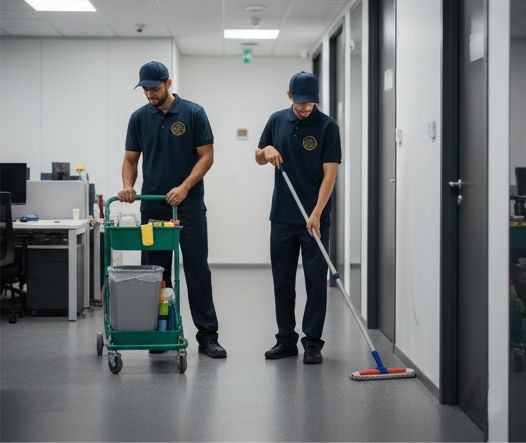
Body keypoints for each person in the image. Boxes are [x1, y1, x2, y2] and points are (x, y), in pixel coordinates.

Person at [118, 61, 226, 358]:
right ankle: (158, 333)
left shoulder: (193, 113)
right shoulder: (139, 118)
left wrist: (185, 187)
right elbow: (130, 160)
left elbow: (207, 157)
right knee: (155, 272)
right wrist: (128, 185)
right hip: (153, 206)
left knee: (197, 269)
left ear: (168, 82)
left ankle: (207, 337)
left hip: (189, 206)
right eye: (145, 89)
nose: (150, 94)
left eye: (154, 88)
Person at [255, 71, 341, 364]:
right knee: (283, 280)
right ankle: (286, 340)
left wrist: (317, 212)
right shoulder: (277, 120)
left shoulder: (327, 127)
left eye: (310, 103)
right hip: (282, 215)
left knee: (316, 281)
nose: (305, 108)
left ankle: (313, 342)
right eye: (300, 102)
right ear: (289, 96)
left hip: (315, 217)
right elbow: (257, 154)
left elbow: (330, 175)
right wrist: (265, 150)